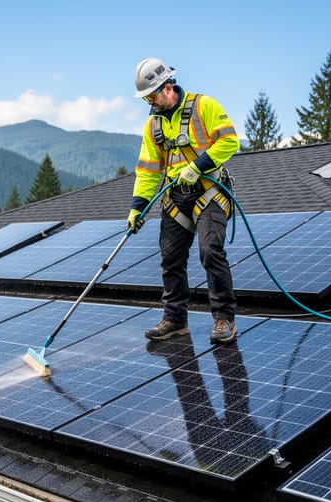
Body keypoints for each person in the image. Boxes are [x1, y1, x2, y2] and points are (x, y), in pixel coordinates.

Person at [128, 57, 239, 344]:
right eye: (145, 99)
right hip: (176, 198)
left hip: (209, 192)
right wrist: (137, 207)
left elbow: (229, 141)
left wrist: (198, 166)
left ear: (166, 87)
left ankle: (224, 319)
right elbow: (148, 170)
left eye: (151, 96)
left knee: (210, 251)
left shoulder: (204, 106)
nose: (148, 103)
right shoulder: (152, 126)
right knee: (171, 259)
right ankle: (175, 320)